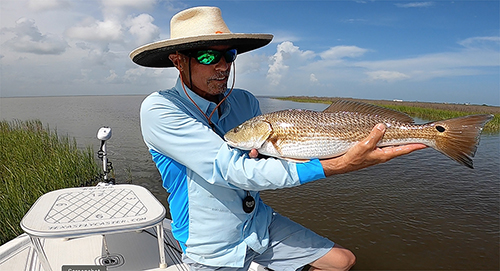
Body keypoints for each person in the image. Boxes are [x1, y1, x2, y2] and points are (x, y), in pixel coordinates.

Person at [130, 6, 426, 271]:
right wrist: (340, 164)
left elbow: (270, 159)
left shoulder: (245, 102)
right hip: (209, 243)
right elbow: (231, 170)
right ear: (178, 61)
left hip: (257, 222)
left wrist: (333, 144)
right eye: (208, 55)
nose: (223, 66)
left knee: (342, 261)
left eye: (228, 55)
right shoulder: (160, 109)